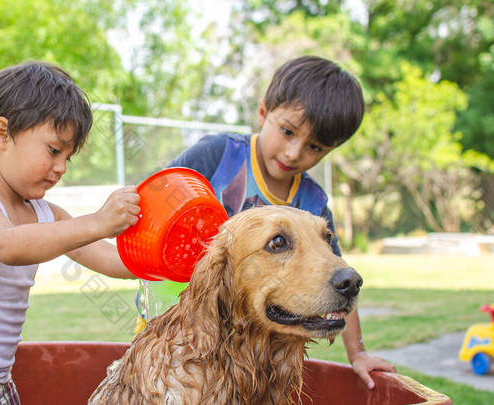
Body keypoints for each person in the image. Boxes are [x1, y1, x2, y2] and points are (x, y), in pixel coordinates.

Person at [136, 55, 396, 389]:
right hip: (175, 328)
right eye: (288, 131)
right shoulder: (219, 155)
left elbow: (337, 275)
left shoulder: (313, 202)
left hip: (253, 352)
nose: (293, 152)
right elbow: (155, 198)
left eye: (314, 146)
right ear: (263, 112)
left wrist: (358, 353)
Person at [0, 61, 140, 404]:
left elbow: (111, 258)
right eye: (53, 150)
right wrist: (97, 221)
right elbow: (6, 245)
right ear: (1, 134)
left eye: (68, 157)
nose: (61, 167)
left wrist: (164, 258)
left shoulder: (45, 214)